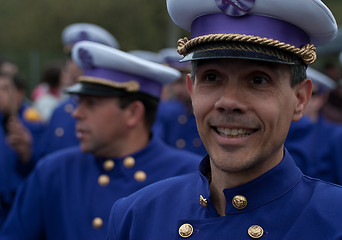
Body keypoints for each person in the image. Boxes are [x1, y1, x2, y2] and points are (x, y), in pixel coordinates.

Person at [107, 0, 342, 239]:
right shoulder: (137, 216)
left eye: (258, 80)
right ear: (192, 91)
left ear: (300, 98)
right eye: (212, 77)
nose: (228, 102)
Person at [0, 41, 202, 239]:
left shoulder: (191, 176)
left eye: (91, 104)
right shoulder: (52, 172)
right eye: (79, 102)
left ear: (133, 113)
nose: (76, 113)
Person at [38, 23, 120, 157]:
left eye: (84, 56)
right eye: (72, 56)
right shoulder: (59, 112)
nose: (76, 64)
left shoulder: (118, 110)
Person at [0, 73, 45, 226]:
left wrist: (26, 153)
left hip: (20, 204)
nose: (2, 94)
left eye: (6, 89)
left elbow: (40, 163)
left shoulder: (30, 122)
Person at [153, 48, 207, 156]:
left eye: (182, 82)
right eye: (174, 84)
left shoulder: (210, 112)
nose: (177, 90)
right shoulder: (166, 112)